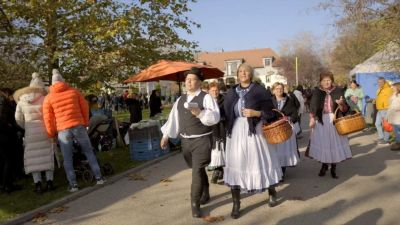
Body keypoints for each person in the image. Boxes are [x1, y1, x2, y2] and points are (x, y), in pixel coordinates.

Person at [223, 63, 282, 219]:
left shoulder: (259, 90)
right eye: (240, 71)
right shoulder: (231, 92)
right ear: (237, 74)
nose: (243, 73)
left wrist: (256, 113)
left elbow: (271, 113)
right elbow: (225, 112)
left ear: (250, 74)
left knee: (260, 161)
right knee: (236, 164)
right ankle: (236, 204)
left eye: (246, 71)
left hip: (255, 130)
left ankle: (271, 191)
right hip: (236, 131)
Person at [160, 67, 220, 218]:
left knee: (196, 171)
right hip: (186, 142)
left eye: (193, 79)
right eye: (187, 80)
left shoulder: (206, 98)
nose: (189, 82)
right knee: (197, 169)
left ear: (199, 82)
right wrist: (166, 135)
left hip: (202, 139)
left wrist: (200, 113)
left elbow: (215, 117)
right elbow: (173, 119)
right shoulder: (180, 99)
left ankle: (195, 204)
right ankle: (205, 191)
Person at [43, 69, 105, 192]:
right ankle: (99, 178)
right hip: (78, 126)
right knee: (88, 151)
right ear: (62, 81)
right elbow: (85, 107)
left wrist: (51, 133)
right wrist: (86, 122)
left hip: (63, 130)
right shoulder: (74, 92)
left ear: (52, 84)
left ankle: (73, 184)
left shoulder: (49, 98)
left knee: (67, 158)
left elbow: (48, 118)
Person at [14, 73, 55, 194]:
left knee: (33, 158)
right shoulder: (45, 99)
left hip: (30, 132)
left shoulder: (21, 101)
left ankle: (37, 185)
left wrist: (26, 127)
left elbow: (18, 119)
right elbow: (51, 116)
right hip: (44, 131)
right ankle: (49, 183)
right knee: (47, 156)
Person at [308, 71, 352, 179]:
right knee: (324, 144)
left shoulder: (338, 90)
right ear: (320, 82)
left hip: (334, 119)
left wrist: (341, 104)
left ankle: (333, 167)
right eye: (324, 80)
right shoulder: (317, 92)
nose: (327, 82)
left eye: (329, 80)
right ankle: (324, 166)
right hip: (321, 120)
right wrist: (312, 119)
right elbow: (313, 107)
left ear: (332, 80)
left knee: (334, 144)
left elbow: (345, 109)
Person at [269, 82, 300, 181]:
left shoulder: (289, 100)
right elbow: (266, 113)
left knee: (282, 151)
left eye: (281, 88)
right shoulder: (269, 101)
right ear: (273, 90)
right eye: (277, 89)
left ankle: (281, 171)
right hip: (273, 130)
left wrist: (289, 118)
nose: (279, 90)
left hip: (285, 129)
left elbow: (295, 114)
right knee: (274, 151)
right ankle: (275, 170)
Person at [207, 82, 226, 184]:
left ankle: (217, 171)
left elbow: (227, 113)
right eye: (212, 90)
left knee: (220, 150)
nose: (215, 92)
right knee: (214, 151)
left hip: (221, 128)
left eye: (216, 90)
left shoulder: (224, 100)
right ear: (209, 91)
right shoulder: (206, 102)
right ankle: (219, 170)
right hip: (210, 129)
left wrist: (220, 117)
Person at [374, 77, 394, 145]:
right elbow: (379, 98)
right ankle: (381, 137)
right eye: (378, 82)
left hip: (386, 109)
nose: (379, 83)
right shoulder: (379, 89)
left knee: (385, 125)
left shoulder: (389, 89)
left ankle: (386, 140)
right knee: (377, 124)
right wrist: (374, 101)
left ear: (384, 82)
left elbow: (393, 98)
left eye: (381, 82)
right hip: (379, 109)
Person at [387, 82, 400, 151]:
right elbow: (390, 104)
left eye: (394, 87)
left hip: (398, 117)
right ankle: (398, 144)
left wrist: (395, 108)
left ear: (397, 87)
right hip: (394, 117)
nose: (392, 88)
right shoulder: (393, 95)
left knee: (397, 131)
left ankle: (398, 144)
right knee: (396, 131)